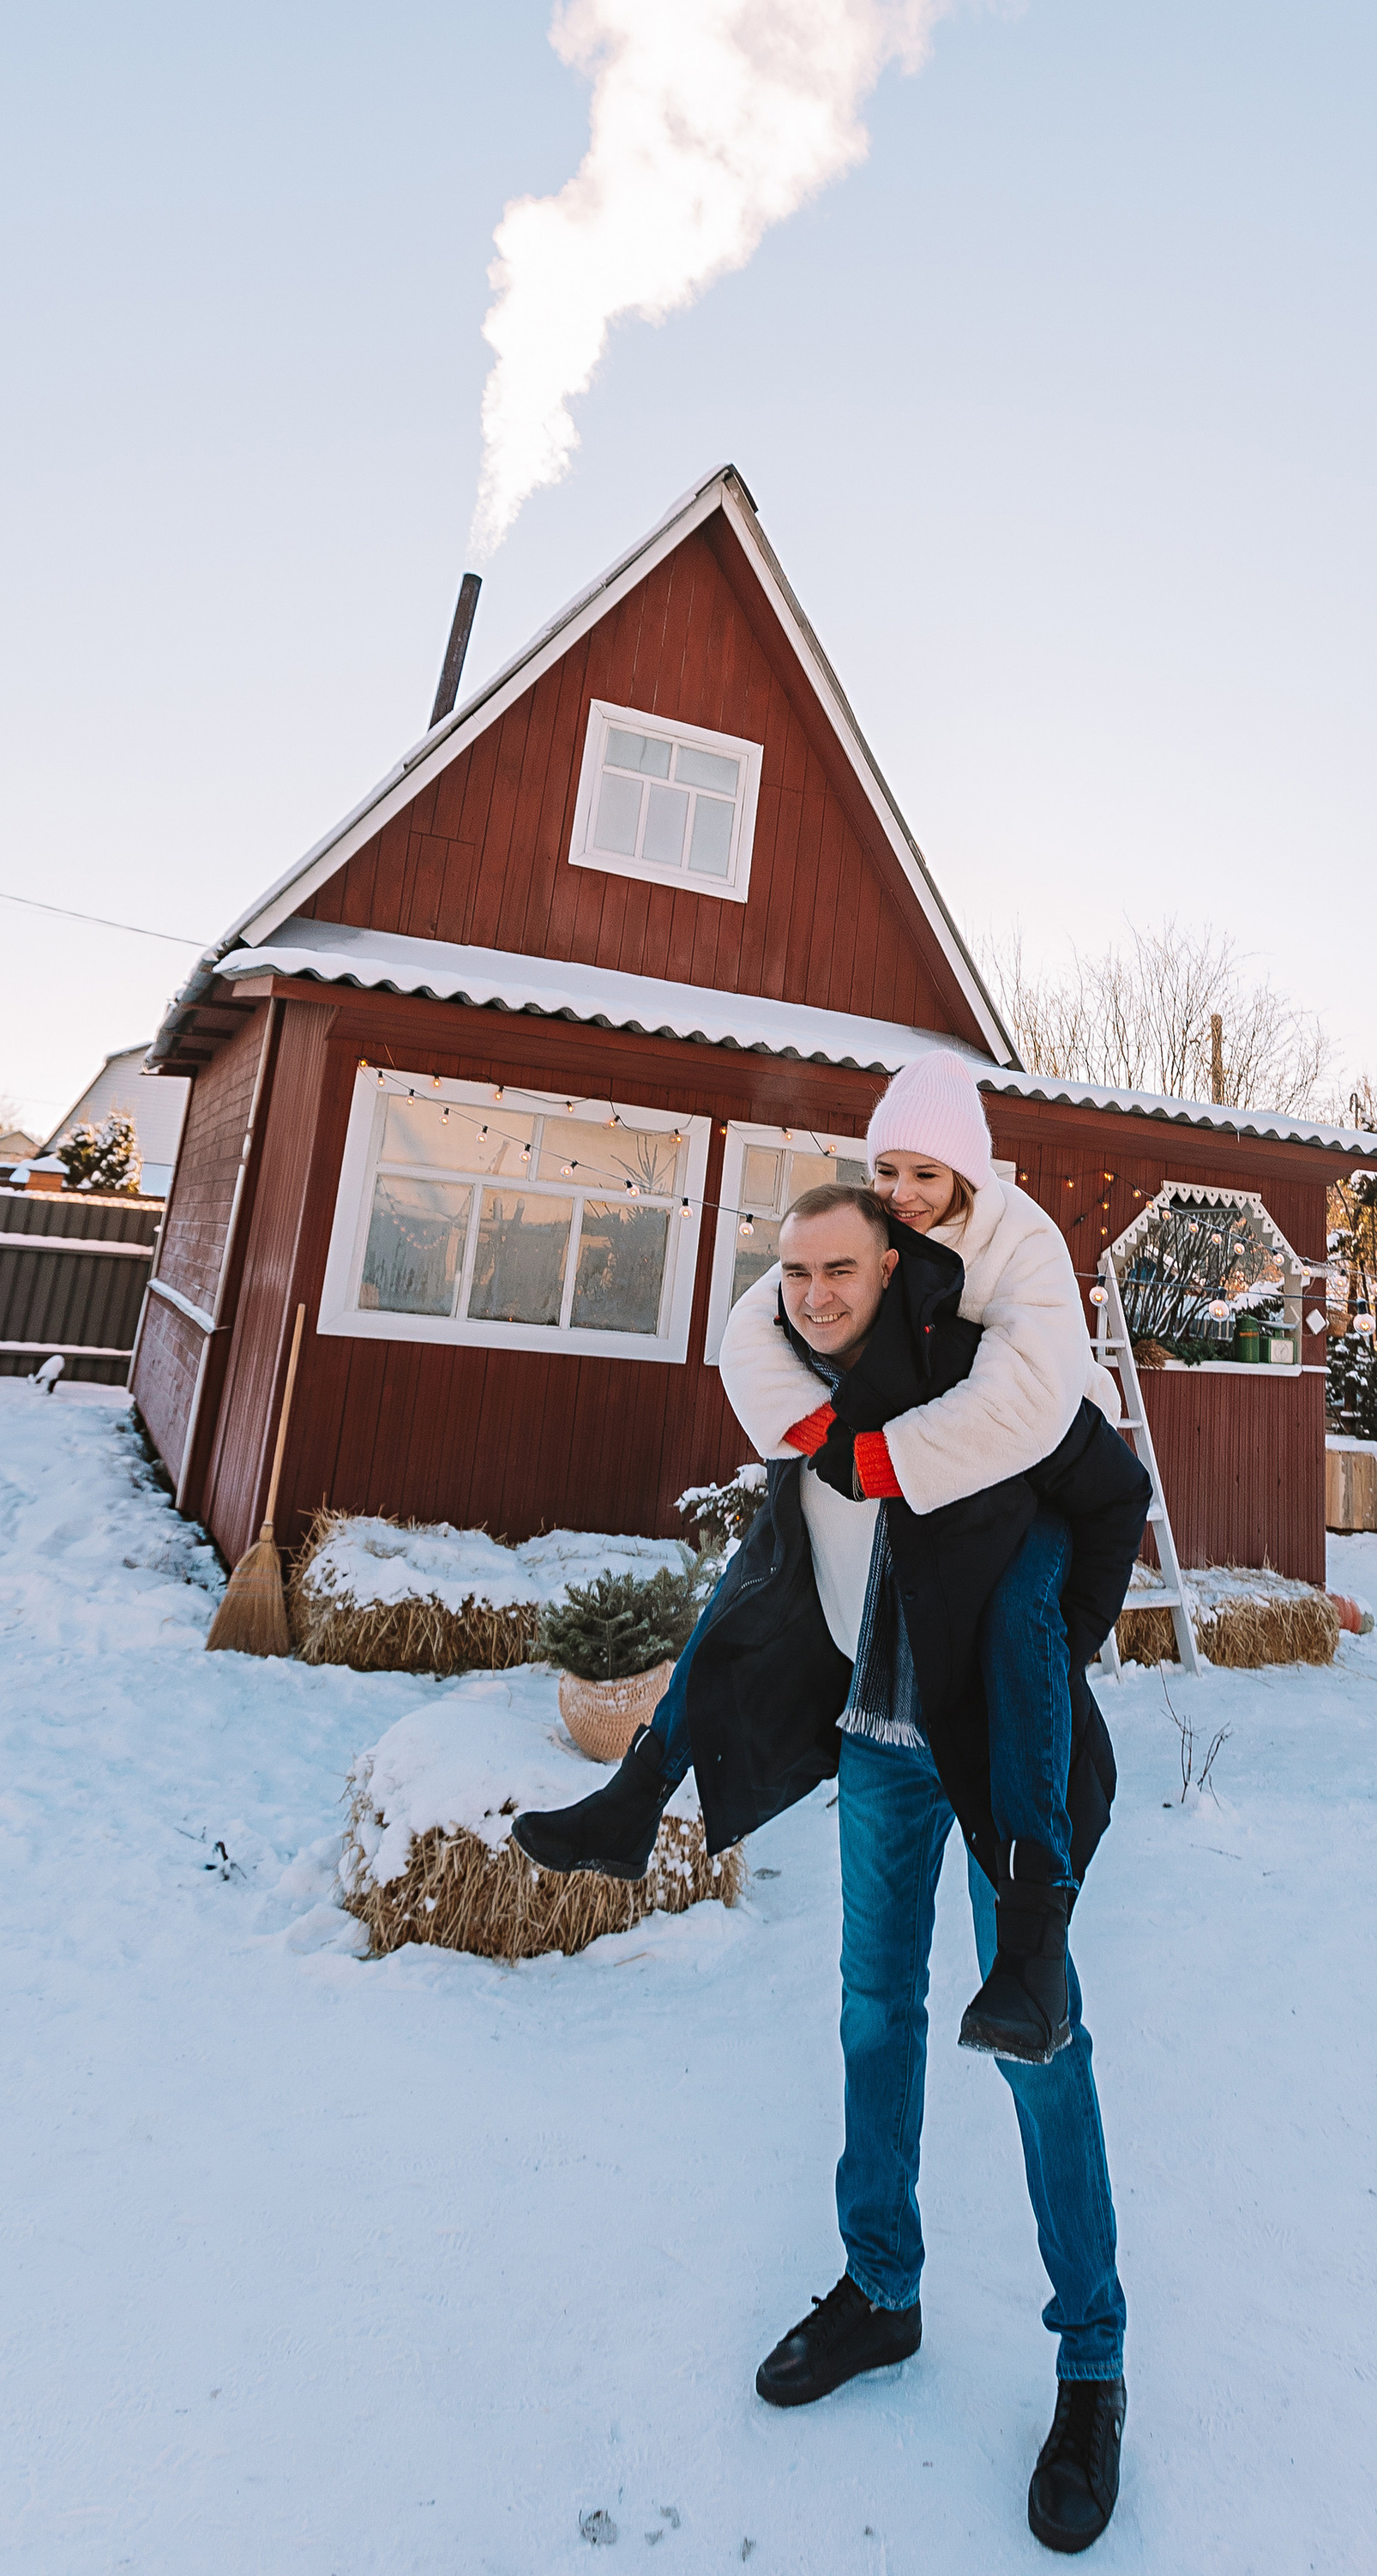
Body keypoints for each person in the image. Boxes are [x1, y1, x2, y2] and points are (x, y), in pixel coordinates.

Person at [514, 1059, 1147, 2553]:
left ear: (912, 1259)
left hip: (990, 1754)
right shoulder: (812, 1383)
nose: (813, 1291)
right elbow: (749, 1364)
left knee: (1040, 2048)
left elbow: (1075, 1458)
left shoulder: (1002, 1388)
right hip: (877, 1745)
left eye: (844, 1267)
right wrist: (811, 1415)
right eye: (799, 1269)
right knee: (874, 2014)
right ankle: (883, 2288)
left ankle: (1093, 2360)